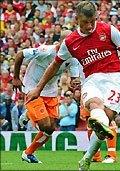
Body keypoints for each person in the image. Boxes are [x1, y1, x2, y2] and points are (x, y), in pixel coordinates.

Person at [25, 2, 120, 170]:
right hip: (92, 79)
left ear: (96, 17)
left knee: (105, 120)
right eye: (85, 22)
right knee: (94, 105)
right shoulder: (70, 41)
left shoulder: (108, 30)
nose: (89, 26)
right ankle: (98, 124)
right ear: (77, 19)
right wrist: (38, 88)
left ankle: (88, 157)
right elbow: (54, 65)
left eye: (92, 22)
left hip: (115, 79)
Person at [12, 30, 82, 163]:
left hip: (50, 91)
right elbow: (20, 54)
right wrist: (15, 77)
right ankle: (29, 114)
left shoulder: (73, 58)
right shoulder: (46, 51)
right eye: (70, 43)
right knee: (44, 125)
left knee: (51, 129)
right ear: (61, 42)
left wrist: (75, 82)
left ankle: (28, 153)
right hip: (33, 88)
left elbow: (74, 77)